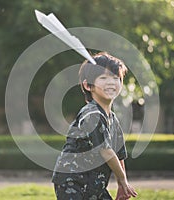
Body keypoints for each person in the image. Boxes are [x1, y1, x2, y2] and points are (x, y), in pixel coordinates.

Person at [52, 52, 138, 200]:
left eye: (116, 78)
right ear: (88, 85)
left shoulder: (113, 119)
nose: (111, 82)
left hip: (95, 184)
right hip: (72, 183)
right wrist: (123, 179)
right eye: (103, 78)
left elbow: (119, 154)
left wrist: (121, 185)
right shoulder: (91, 115)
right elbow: (106, 152)